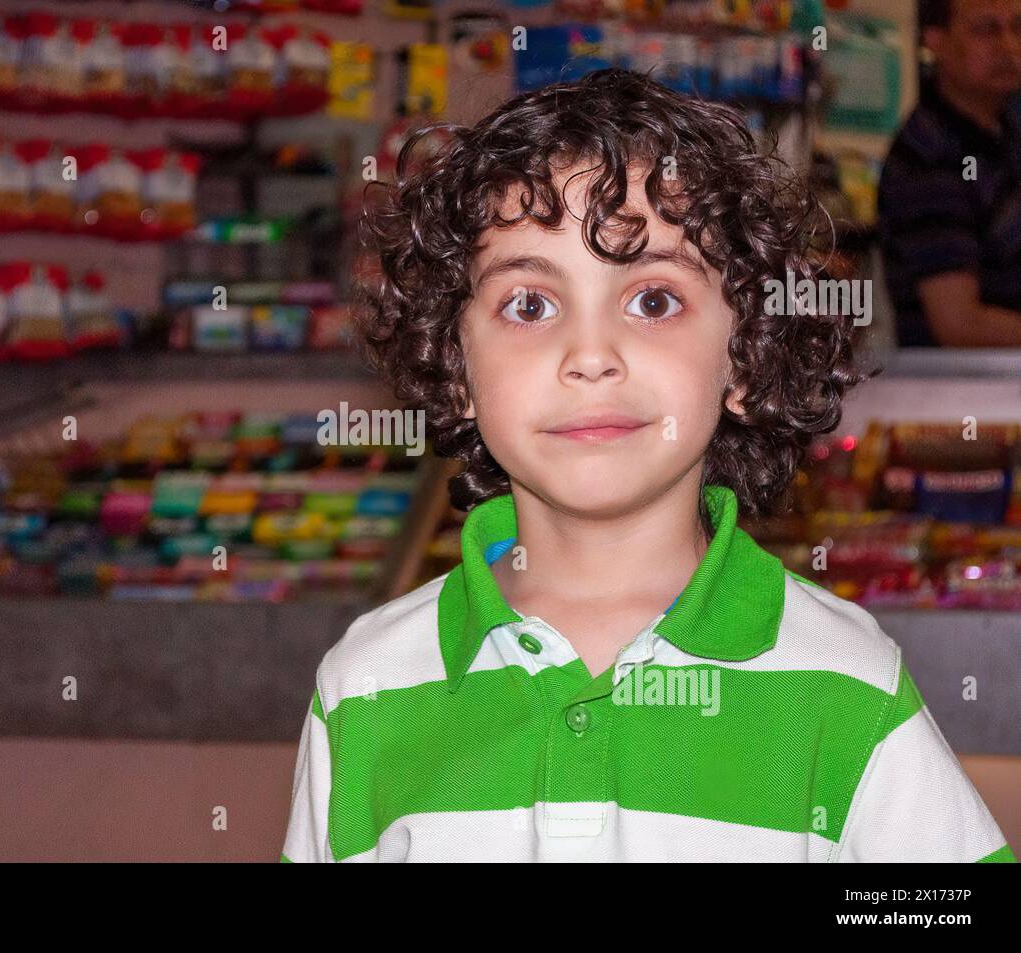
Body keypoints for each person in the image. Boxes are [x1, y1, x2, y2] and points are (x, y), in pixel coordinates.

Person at [280, 69, 1015, 862]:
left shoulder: (846, 684)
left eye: (653, 300)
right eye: (530, 304)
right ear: (457, 368)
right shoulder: (365, 687)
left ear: (744, 354)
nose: (591, 355)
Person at [878, 0, 1021, 346]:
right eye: (986, 30)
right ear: (934, 40)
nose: (1009, 46)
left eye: (1017, 28)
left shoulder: (1005, 134)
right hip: (962, 391)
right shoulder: (929, 154)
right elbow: (959, 324)